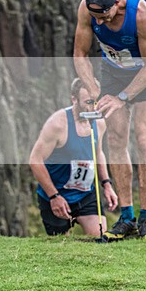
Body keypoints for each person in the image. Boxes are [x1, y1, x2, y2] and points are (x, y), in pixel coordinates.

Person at [73, 0, 146, 240]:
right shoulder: (86, 9)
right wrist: (92, 88)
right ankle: (126, 217)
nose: (99, 23)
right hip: (113, 71)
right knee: (115, 139)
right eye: (94, 17)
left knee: (143, 137)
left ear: (118, 3)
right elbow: (80, 54)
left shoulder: (141, 13)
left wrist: (122, 98)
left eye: (104, 16)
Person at [30, 78, 118, 236]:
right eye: (88, 102)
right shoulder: (57, 124)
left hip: (86, 194)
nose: (93, 107)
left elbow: (98, 153)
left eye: (96, 101)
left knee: (100, 240)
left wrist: (106, 184)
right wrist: (54, 196)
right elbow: (35, 161)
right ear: (74, 99)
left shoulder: (99, 122)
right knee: (60, 247)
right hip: (57, 195)